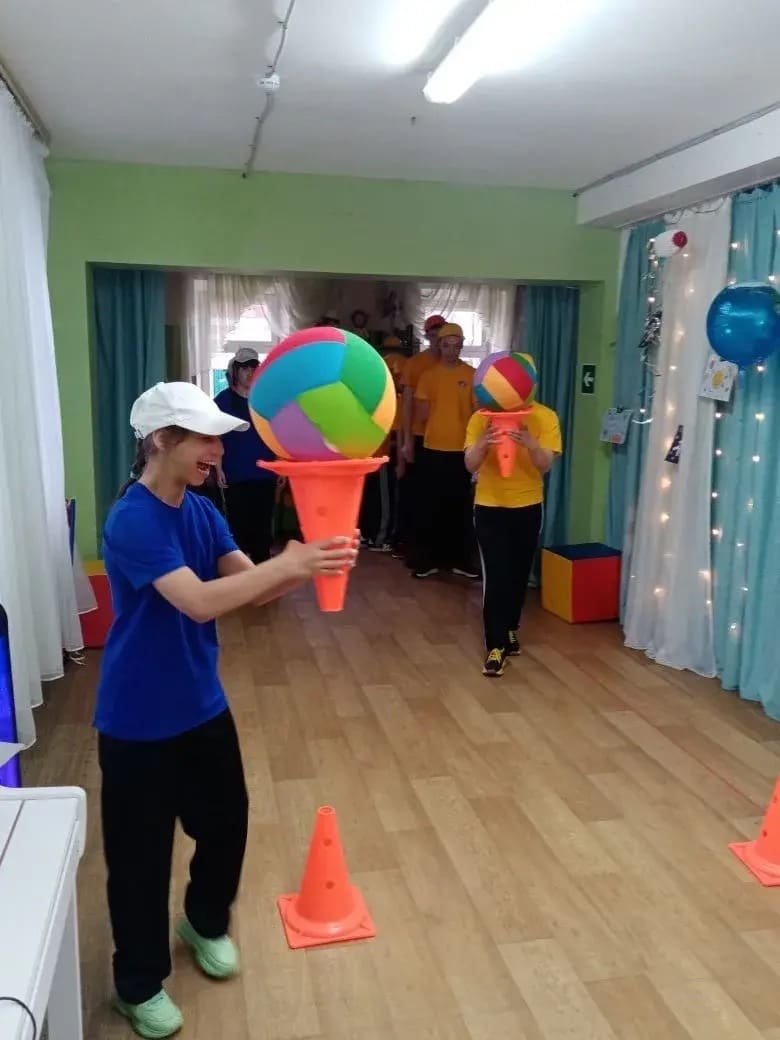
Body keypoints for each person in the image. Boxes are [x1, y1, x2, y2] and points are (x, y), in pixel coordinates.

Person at [96, 381, 358, 1038]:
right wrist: (292, 564)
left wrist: (308, 563)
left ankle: (203, 922)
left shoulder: (201, 510)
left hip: (201, 705)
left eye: (220, 439)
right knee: (140, 859)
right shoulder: (132, 519)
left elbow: (250, 587)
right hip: (136, 721)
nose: (218, 451)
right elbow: (200, 601)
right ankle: (137, 984)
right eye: (206, 439)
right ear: (162, 441)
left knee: (225, 825)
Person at [464, 380, 562, 677]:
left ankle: (509, 629)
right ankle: (495, 646)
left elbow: (546, 465)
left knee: (518, 575)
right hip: (489, 507)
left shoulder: (546, 416)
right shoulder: (480, 417)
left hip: (528, 506)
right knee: (496, 575)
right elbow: (469, 464)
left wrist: (531, 444)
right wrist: (484, 443)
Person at [412, 323, 478, 580]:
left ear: (461, 346)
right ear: (439, 345)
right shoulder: (429, 376)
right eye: (447, 346)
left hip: (462, 451)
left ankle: (460, 560)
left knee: (460, 508)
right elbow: (422, 414)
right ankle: (427, 561)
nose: (451, 351)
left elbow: (477, 414)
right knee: (430, 507)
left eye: (456, 346)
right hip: (433, 449)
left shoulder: (471, 375)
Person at [214, 347, 278, 563]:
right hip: (236, 474)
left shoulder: (266, 400)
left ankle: (262, 570)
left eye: (253, 367)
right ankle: (241, 571)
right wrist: (218, 467)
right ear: (235, 371)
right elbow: (215, 436)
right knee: (238, 526)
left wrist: (280, 463)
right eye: (244, 368)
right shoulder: (223, 401)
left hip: (265, 473)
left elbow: (277, 432)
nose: (250, 372)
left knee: (263, 526)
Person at [396, 314, 446, 563]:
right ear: (427, 336)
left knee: (441, 498)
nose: (437, 340)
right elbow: (406, 406)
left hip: (446, 441)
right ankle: (411, 546)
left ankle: (440, 551)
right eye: (433, 335)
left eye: (441, 335)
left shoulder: (453, 367)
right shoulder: (415, 364)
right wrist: (406, 442)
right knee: (417, 496)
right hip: (419, 437)